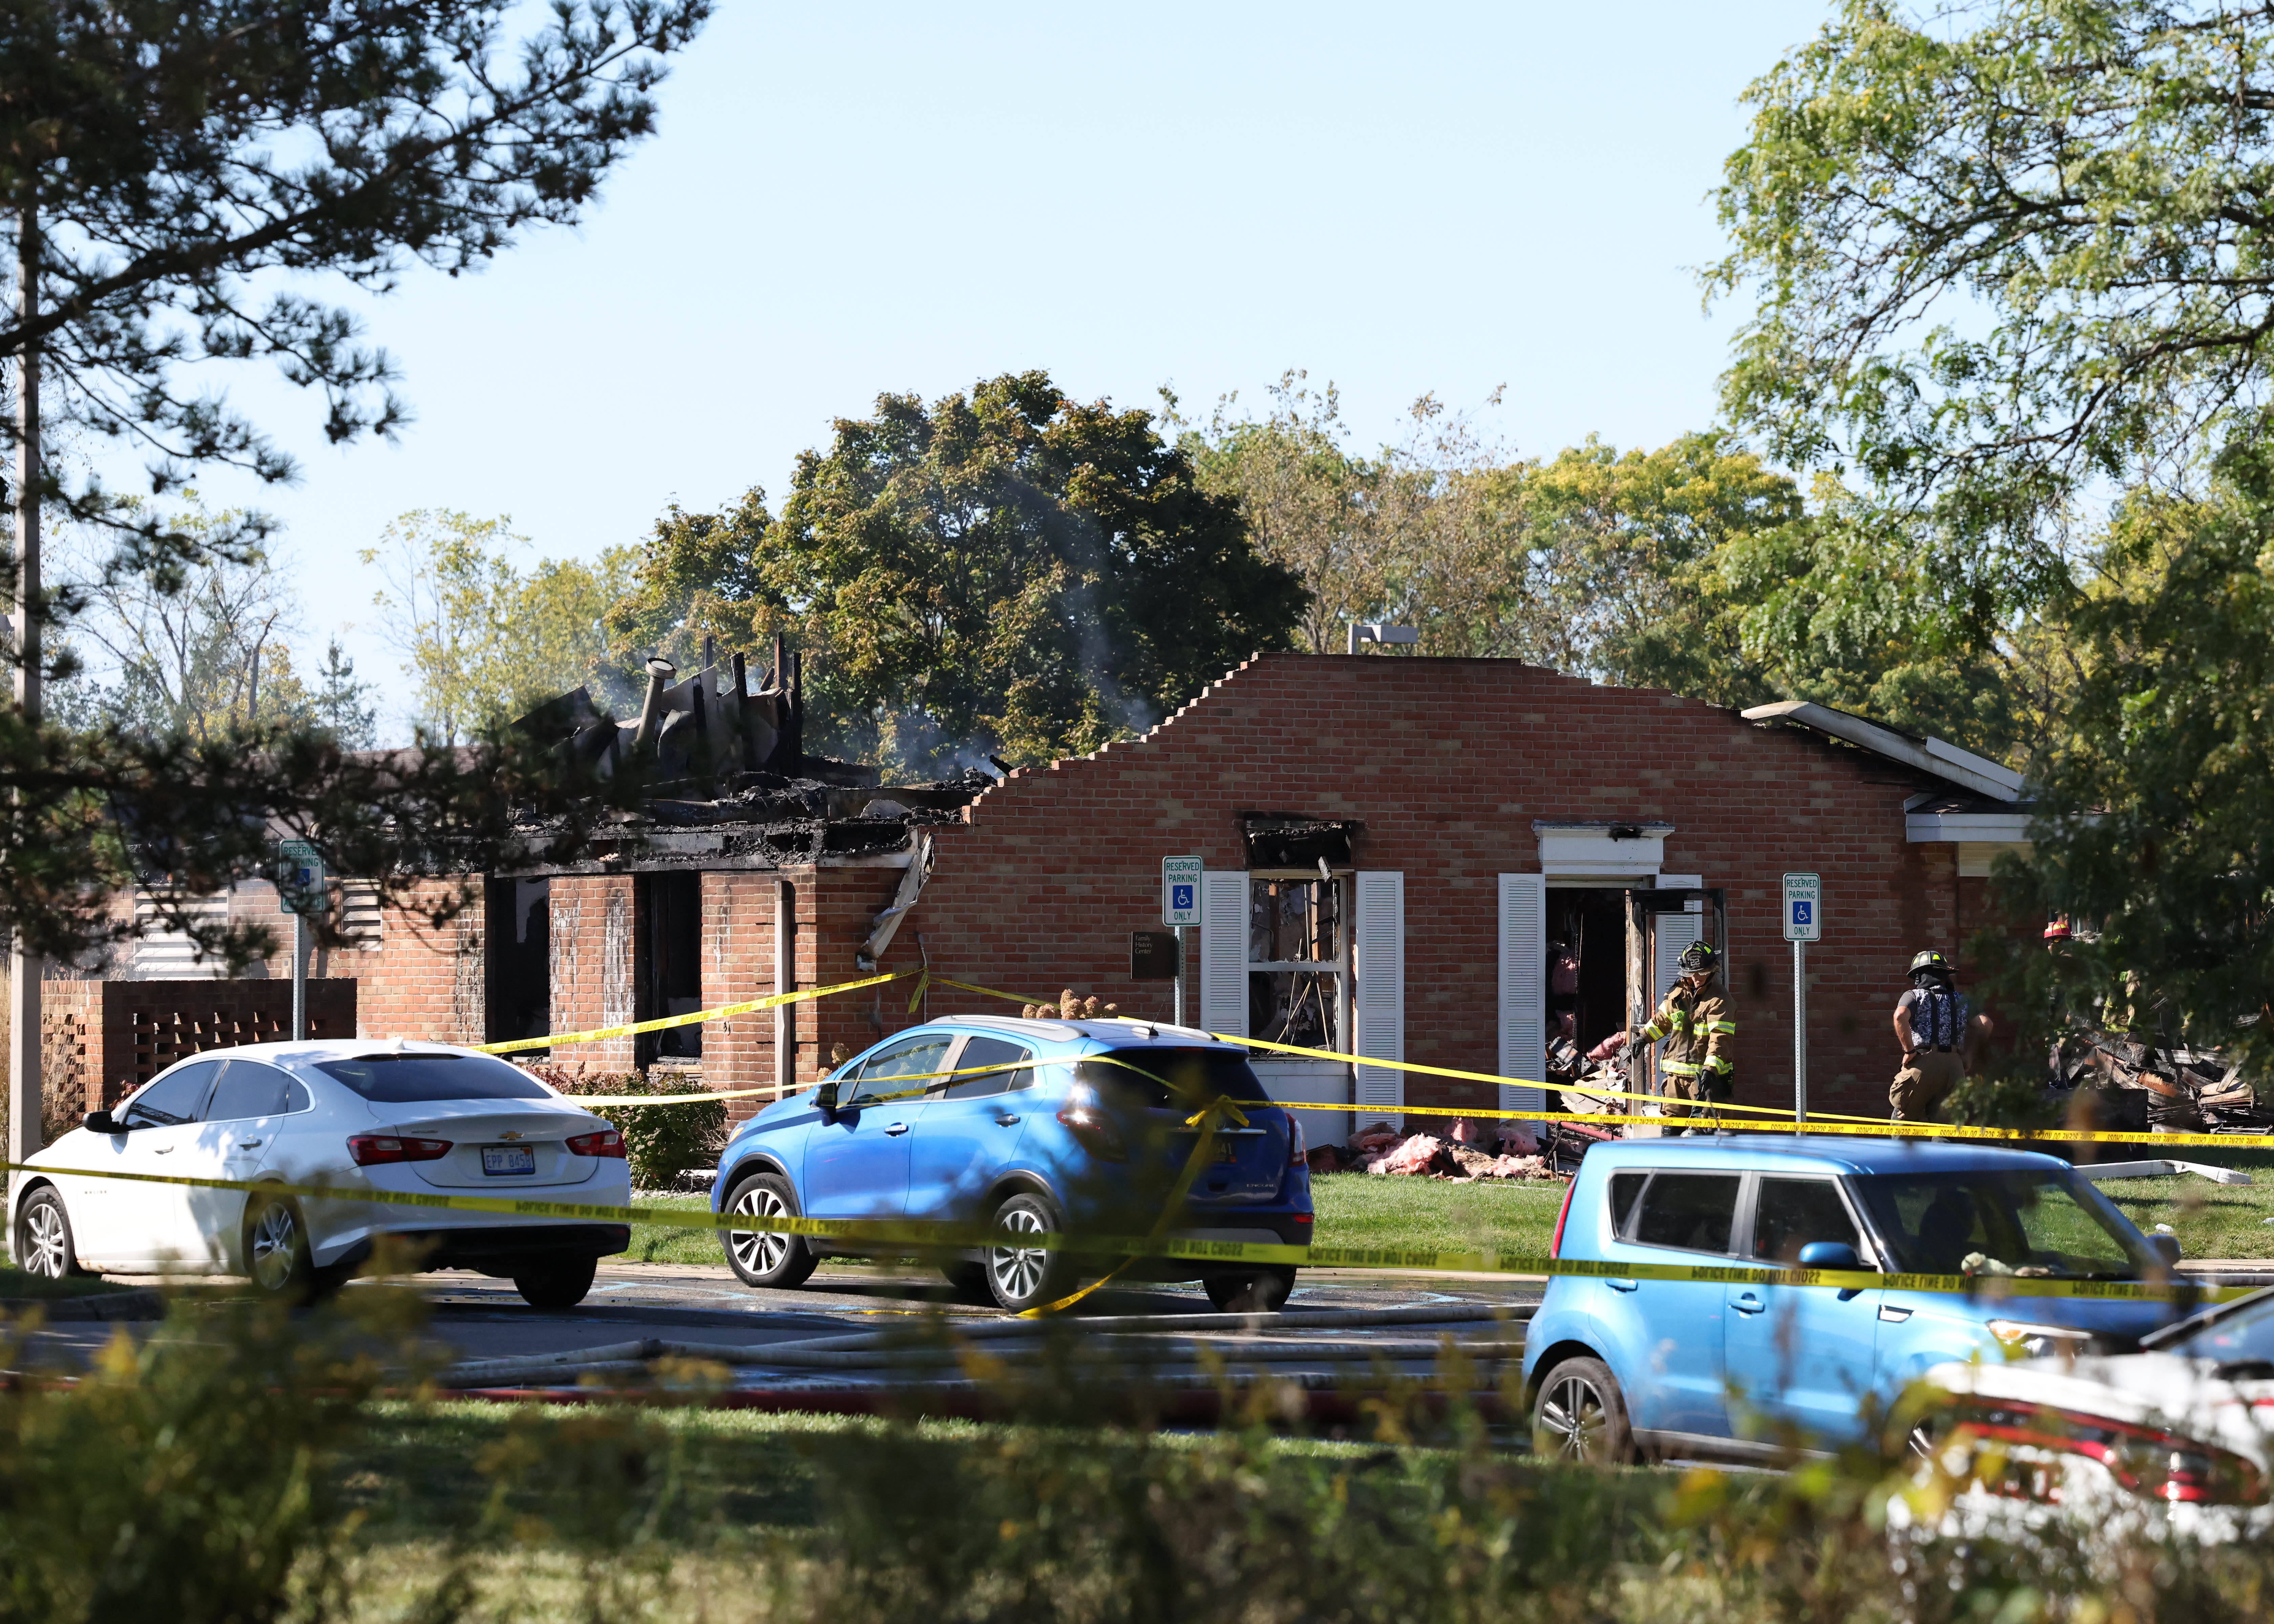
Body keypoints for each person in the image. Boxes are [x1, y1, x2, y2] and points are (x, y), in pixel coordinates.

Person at [1586, 940, 1733, 1133]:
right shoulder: (1679, 995)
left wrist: (1711, 1070)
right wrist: (1643, 1038)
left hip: (1705, 1080)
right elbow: (1662, 1020)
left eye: (1702, 973)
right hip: (1676, 1080)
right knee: (1670, 1129)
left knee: (1703, 1133)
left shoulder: (1720, 1001)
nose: (1697, 979)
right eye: (1693, 974)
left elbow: (1720, 1039)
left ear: (1712, 971)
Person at [1891, 949, 1970, 1122]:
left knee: (1904, 1118)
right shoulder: (1961, 999)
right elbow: (1985, 1024)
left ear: (1919, 977)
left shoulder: (1914, 996)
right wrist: (1968, 1056)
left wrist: (1909, 1051)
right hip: (1955, 1068)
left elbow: (1900, 1016)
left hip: (1923, 1063)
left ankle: (1904, 1148)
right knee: (1948, 1126)